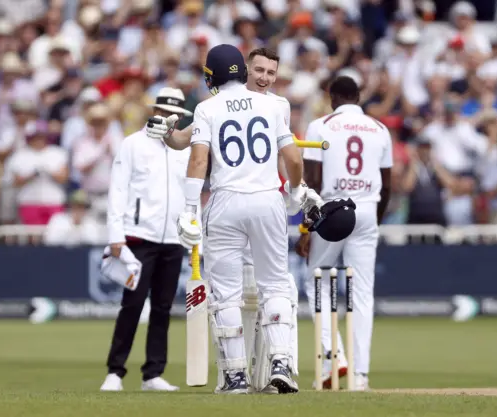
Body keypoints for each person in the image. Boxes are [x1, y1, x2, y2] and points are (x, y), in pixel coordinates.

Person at [147, 47, 300, 394]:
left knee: (226, 295)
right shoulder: (273, 106)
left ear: (211, 75)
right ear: (243, 71)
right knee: (275, 285)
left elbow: (198, 159)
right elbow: (292, 156)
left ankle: (235, 377)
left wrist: (190, 209)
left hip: (226, 202)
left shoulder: (207, 107)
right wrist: (295, 189)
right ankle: (281, 363)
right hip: (267, 201)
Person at [295, 76, 392, 391]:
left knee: (318, 280)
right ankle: (360, 375)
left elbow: (311, 181)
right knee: (363, 293)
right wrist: (373, 219)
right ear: (359, 96)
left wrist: (308, 226)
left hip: (333, 210)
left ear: (332, 96)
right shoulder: (380, 129)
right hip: (367, 210)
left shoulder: (321, 125)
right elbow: (388, 184)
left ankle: (333, 357)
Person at [100, 87, 196, 392]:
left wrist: (194, 233)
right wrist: (116, 236)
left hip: (173, 238)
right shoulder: (133, 145)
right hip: (139, 236)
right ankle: (115, 372)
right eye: (166, 113)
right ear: (155, 112)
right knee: (132, 304)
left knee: (163, 307)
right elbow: (118, 191)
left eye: (177, 115)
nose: (171, 120)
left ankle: (153, 374)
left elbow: (191, 195)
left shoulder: (187, 148)